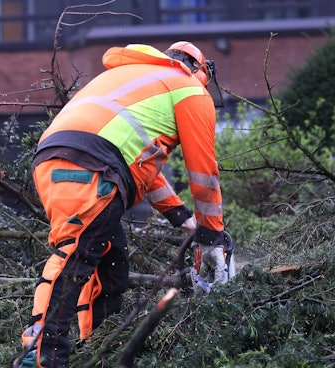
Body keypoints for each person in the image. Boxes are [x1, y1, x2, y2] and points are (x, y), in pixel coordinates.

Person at [18, 41, 226, 368]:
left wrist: (183, 218)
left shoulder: (133, 75)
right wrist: (211, 235)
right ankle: (40, 353)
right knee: (75, 253)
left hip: (55, 162)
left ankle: (98, 348)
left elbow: (143, 167)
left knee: (109, 260)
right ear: (199, 70)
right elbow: (203, 171)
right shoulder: (188, 88)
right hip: (92, 167)